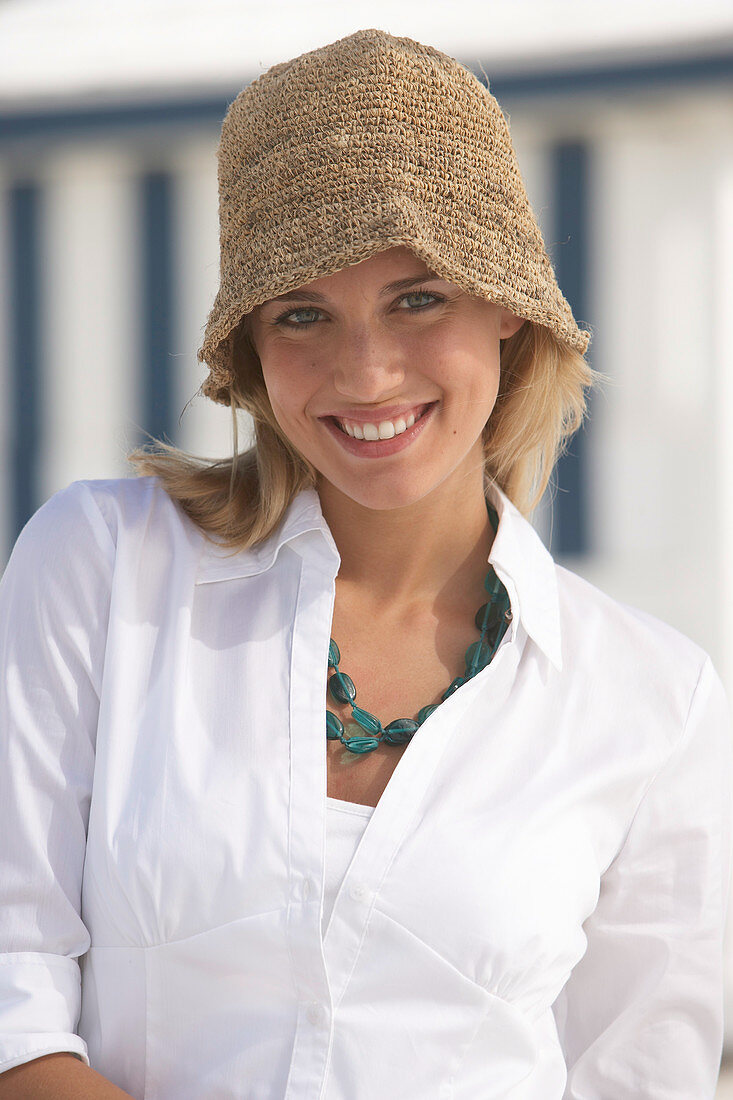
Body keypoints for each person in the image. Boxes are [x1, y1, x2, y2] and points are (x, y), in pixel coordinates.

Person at [0, 26, 730, 1100]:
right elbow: (14, 1005)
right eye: (303, 313)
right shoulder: (101, 567)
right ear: (250, 353)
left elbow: (639, 1076)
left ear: (510, 318)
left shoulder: (652, 699)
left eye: (418, 297)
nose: (367, 369)